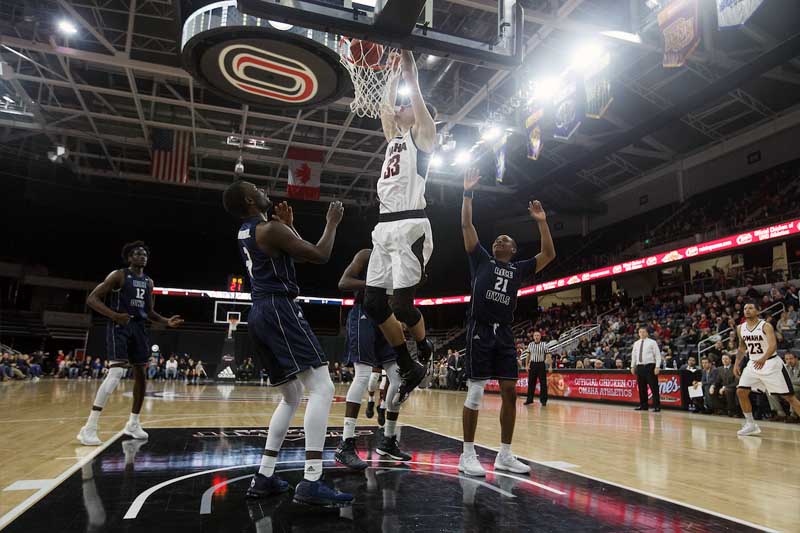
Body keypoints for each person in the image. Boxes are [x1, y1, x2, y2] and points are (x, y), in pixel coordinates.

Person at [222, 180, 352, 507]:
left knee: (291, 395)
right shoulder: (268, 230)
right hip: (279, 309)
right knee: (322, 388)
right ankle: (311, 480)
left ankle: (265, 475)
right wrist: (331, 223)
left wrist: (290, 228)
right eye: (257, 188)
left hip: (260, 313)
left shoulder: (250, 230)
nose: (265, 189)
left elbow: (295, 252)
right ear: (251, 199)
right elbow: (320, 255)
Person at [458, 167, 555, 477]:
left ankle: (505, 454)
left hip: (505, 334)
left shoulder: (518, 269)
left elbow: (549, 254)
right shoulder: (481, 259)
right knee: (475, 392)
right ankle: (467, 454)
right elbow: (466, 224)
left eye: (506, 240)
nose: (500, 240)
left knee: (511, 391)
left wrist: (542, 223)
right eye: (497, 239)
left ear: (512, 250)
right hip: (480, 329)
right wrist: (467, 193)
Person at [363, 50, 438, 404]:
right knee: (373, 301)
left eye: (406, 106)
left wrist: (410, 73)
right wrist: (392, 75)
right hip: (384, 227)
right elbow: (383, 109)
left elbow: (418, 104)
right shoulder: (395, 137)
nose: (401, 107)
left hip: (410, 225)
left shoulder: (423, 137)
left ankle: (425, 346)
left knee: (404, 306)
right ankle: (409, 364)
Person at [77, 242, 183, 446]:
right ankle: (89, 428)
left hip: (140, 328)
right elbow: (92, 299)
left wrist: (166, 321)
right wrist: (115, 316)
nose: (142, 256)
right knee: (116, 373)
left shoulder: (149, 282)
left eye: (144, 253)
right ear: (129, 258)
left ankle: (133, 423)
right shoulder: (119, 275)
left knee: (142, 376)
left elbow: (150, 312)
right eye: (137, 253)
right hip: (120, 326)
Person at [335, 249, 410, 470]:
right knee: (364, 375)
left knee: (398, 379)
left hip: (387, 317)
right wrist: (373, 284)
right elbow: (344, 282)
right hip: (364, 313)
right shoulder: (367, 254)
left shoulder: (401, 259)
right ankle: (345, 444)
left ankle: (388, 441)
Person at [735, 302, 800, 436]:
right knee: (741, 391)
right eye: (745, 308)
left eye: (751, 308)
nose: (747, 310)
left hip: (771, 364)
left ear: (757, 311)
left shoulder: (766, 326)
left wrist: (763, 358)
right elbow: (742, 347)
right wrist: (737, 363)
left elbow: (773, 346)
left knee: (789, 397)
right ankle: (751, 424)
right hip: (753, 364)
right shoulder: (740, 328)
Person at [631, 327, 662, 412]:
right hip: (640, 367)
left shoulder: (652, 342)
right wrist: (632, 366)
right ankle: (643, 405)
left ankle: (656, 406)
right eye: (640, 332)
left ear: (647, 333)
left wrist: (657, 366)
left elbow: (658, 355)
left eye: (643, 332)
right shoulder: (636, 343)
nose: (641, 333)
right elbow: (634, 355)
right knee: (641, 387)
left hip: (650, 366)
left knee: (653, 387)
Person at [523, 331, 549, 406]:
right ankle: (529, 400)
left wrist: (550, 366)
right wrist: (527, 365)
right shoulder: (530, 344)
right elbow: (528, 355)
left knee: (543, 383)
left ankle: (543, 400)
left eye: (538, 335)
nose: (537, 337)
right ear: (533, 337)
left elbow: (548, 355)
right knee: (531, 383)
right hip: (533, 364)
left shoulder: (544, 344)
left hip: (541, 364)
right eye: (535, 335)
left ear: (540, 337)